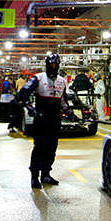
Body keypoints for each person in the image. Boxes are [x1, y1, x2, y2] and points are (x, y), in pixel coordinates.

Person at [15, 53, 69, 189]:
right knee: (39, 148)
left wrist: (70, 112)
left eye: (56, 64)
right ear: (46, 65)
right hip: (41, 120)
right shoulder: (38, 78)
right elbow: (23, 93)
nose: (53, 67)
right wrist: (29, 106)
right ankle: (34, 177)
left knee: (52, 149)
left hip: (55, 120)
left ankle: (46, 174)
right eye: (51, 64)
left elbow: (63, 100)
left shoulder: (62, 81)